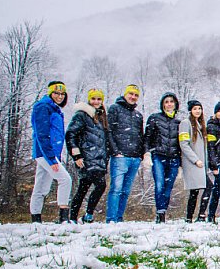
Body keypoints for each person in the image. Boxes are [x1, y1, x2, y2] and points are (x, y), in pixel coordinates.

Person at [30, 81, 72, 224]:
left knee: (41, 186)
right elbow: (42, 134)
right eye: (56, 93)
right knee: (65, 179)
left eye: (62, 94)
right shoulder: (42, 107)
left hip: (51, 153)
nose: (60, 96)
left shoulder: (55, 109)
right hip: (45, 153)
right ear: (50, 93)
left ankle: (36, 219)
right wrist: (51, 158)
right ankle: (63, 216)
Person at [65, 88, 109, 224]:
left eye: (99, 99)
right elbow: (71, 134)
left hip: (99, 160)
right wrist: (76, 155)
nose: (96, 101)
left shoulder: (101, 117)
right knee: (101, 185)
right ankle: (88, 214)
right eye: (93, 99)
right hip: (86, 158)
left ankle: (73, 217)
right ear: (89, 100)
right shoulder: (82, 115)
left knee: (83, 188)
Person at [106, 84, 144, 223]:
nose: (133, 97)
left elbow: (141, 135)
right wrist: (115, 151)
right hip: (120, 156)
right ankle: (111, 219)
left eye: (136, 95)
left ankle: (119, 218)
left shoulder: (138, 115)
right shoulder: (115, 109)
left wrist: (141, 154)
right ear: (125, 94)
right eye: (131, 94)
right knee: (116, 189)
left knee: (126, 190)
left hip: (135, 157)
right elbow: (109, 131)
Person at [145, 92, 181, 223]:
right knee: (159, 184)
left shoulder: (179, 123)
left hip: (174, 158)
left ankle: (163, 211)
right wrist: (147, 153)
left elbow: (181, 144)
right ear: (163, 105)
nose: (169, 104)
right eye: (166, 102)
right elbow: (147, 138)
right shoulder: (154, 118)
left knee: (168, 187)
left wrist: (181, 164)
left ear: (175, 104)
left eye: (171, 101)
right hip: (158, 156)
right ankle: (160, 213)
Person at [180, 100, 211, 222]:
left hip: (201, 163)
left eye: (199, 108)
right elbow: (184, 144)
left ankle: (193, 216)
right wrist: (195, 160)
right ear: (190, 111)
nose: (198, 111)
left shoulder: (201, 124)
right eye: (195, 109)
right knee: (200, 188)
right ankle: (195, 216)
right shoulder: (185, 123)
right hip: (193, 162)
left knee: (196, 190)